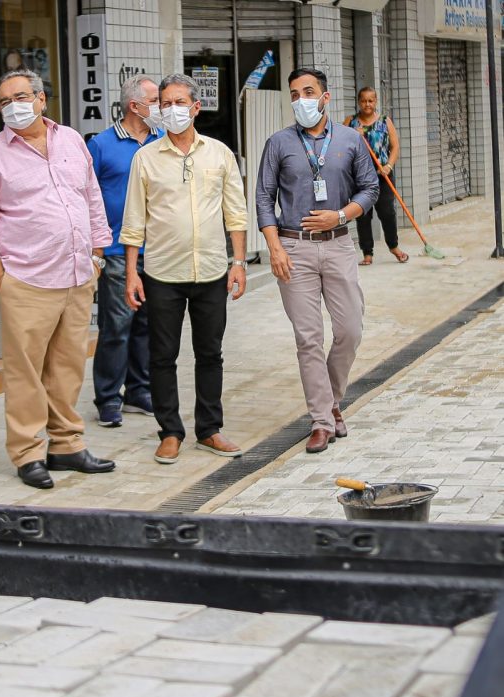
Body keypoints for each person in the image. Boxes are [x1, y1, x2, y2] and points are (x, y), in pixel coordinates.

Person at [0, 69, 115, 490]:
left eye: (22, 96)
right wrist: (0, 277)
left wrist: (99, 250)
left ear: (42, 99)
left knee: (67, 368)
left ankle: (66, 446)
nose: (14, 105)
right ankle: (28, 453)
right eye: (5, 100)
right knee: (25, 374)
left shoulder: (70, 141)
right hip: (26, 280)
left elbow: (91, 196)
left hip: (78, 274)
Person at [120, 73, 248, 466]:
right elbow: (133, 220)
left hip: (211, 271)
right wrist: (131, 273)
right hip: (162, 274)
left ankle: (209, 429)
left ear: (196, 107)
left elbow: (236, 213)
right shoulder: (145, 158)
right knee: (162, 356)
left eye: (180, 102)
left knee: (210, 353)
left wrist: (239, 263)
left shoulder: (220, 154)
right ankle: (170, 432)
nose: (172, 109)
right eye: (165, 102)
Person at [256, 67, 379, 454]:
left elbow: (370, 187)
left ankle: (331, 401)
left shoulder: (351, 139)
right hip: (294, 247)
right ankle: (322, 421)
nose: (300, 100)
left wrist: (340, 216)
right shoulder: (278, 143)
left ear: (325, 97)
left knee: (350, 330)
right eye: (294, 94)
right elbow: (263, 198)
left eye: (308, 92)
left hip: (339, 243)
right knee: (308, 338)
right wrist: (274, 248)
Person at [86, 74, 162, 428]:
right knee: (117, 326)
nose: (162, 107)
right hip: (117, 250)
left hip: (158, 249)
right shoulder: (101, 145)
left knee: (148, 323)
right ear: (135, 106)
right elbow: (86, 195)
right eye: (156, 100)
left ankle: (139, 390)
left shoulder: (163, 140)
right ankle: (107, 397)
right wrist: (96, 248)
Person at [343, 87, 408, 265]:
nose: (367, 104)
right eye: (363, 101)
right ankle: (367, 253)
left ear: (376, 101)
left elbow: (395, 147)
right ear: (358, 102)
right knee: (363, 215)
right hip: (359, 177)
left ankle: (393, 246)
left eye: (370, 100)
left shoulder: (385, 121)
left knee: (387, 212)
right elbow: (340, 146)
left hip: (382, 175)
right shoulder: (350, 122)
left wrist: (389, 165)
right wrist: (352, 136)